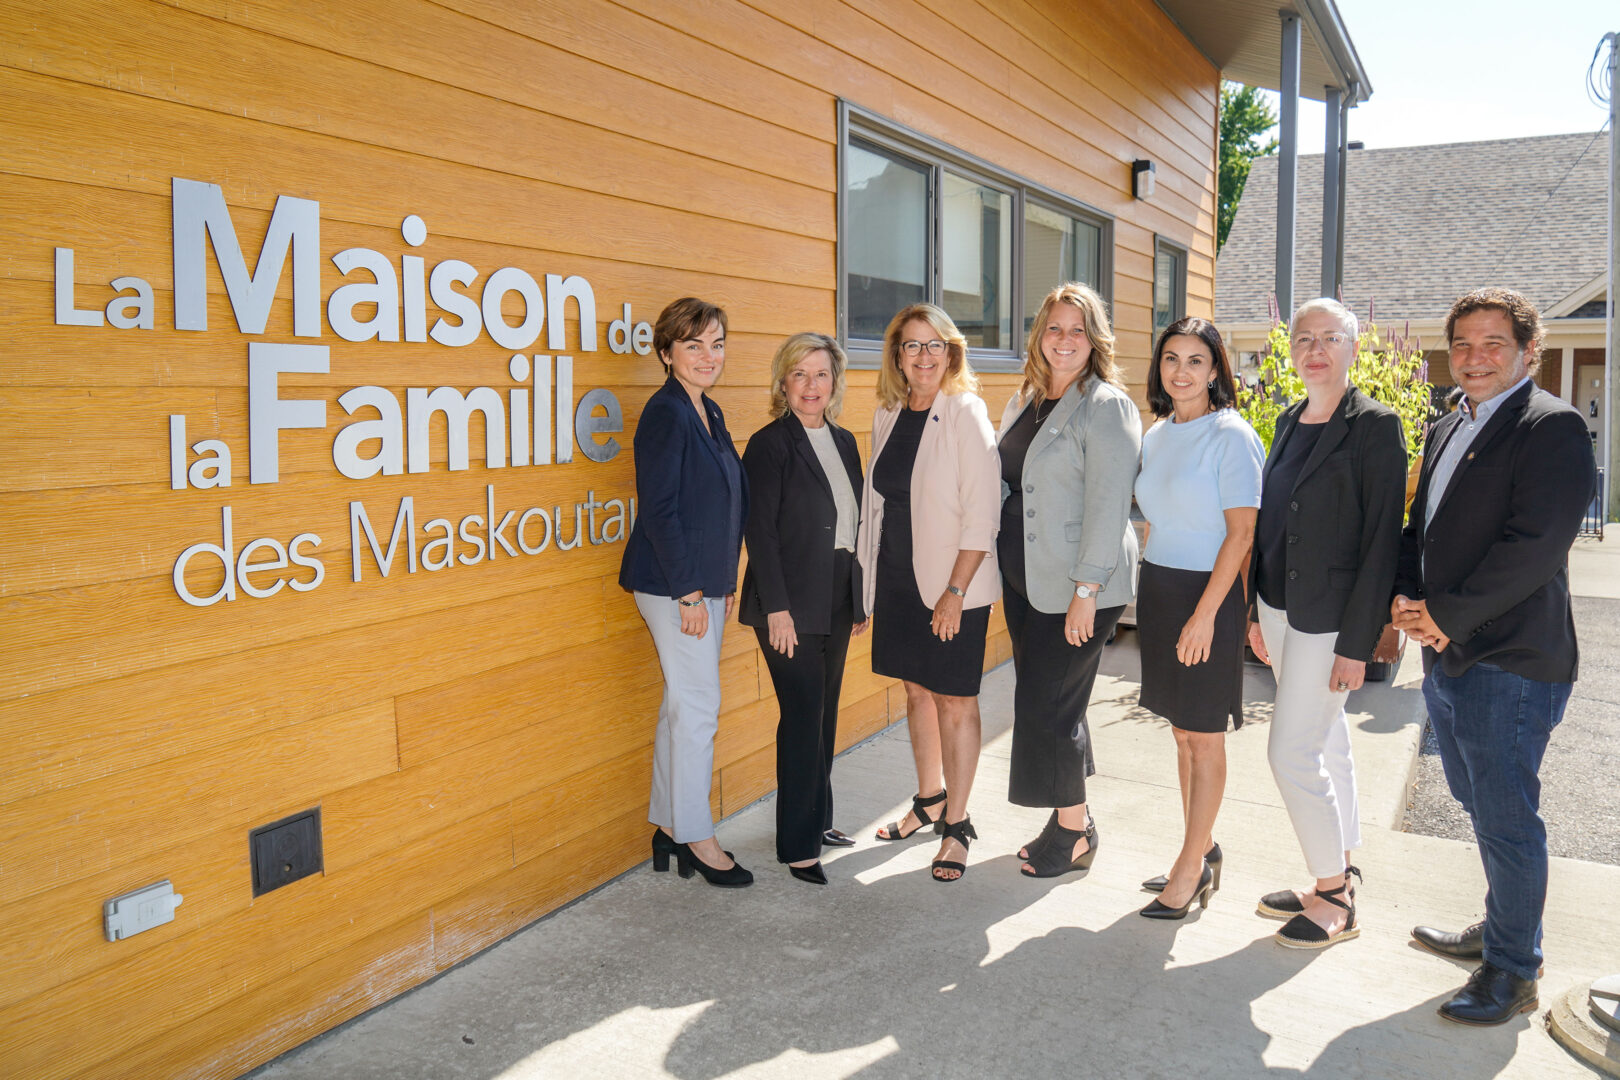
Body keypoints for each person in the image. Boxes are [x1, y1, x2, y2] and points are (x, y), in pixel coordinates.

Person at [1393, 287, 1594, 1025]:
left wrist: (1444, 615)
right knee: (1480, 805)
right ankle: (1507, 928)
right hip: (1446, 652)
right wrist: (1405, 598)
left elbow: (1535, 547)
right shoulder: (1449, 425)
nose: (1475, 359)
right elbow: (1423, 527)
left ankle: (1514, 970)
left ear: (1527, 352)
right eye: (1465, 345)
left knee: (1507, 817)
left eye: (1493, 345)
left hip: (1509, 660)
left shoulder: (1553, 427)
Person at [1246, 297, 1406, 947]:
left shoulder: (1375, 426)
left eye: (1329, 337)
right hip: (1279, 614)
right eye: (1304, 338)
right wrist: (1254, 614)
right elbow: (1269, 525)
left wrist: (1357, 643)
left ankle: (1335, 896)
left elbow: (1380, 545)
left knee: (1291, 750)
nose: (1315, 348)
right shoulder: (1288, 420)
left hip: (1328, 623)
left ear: (1353, 349)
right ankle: (1337, 867)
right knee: (1326, 740)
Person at [995, 283, 1139, 879]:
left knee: (1047, 708)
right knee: (1056, 702)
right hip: (1027, 577)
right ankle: (1068, 817)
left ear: (1095, 339)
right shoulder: (1028, 399)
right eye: (1054, 328)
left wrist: (1086, 592)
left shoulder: (1105, 405)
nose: (1064, 340)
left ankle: (1075, 835)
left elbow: (1110, 507)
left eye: (1078, 330)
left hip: (1080, 583)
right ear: (1039, 336)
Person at [857, 303, 1000, 883]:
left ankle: (957, 825)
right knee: (916, 692)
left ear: (951, 352)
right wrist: (864, 585)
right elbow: (878, 506)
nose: (922, 356)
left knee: (954, 700)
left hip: (951, 584)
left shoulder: (966, 413)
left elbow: (982, 515)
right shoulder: (889, 413)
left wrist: (954, 592)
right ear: (897, 355)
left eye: (933, 345)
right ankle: (928, 799)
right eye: (911, 345)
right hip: (896, 577)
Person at [618, 297, 752, 888]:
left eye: (716, 343)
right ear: (667, 351)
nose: (708, 355)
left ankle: (670, 828)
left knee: (683, 705)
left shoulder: (708, 411)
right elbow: (662, 512)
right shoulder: (666, 413)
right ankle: (698, 835)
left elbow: (723, 506)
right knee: (698, 708)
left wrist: (722, 584)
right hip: (674, 587)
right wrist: (692, 594)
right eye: (694, 344)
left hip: (702, 586)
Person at [1133, 317, 1263, 918]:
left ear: (1215, 371)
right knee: (1182, 731)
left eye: (1194, 361)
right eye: (1170, 359)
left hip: (1206, 597)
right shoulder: (1157, 434)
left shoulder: (1230, 436)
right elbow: (1158, 516)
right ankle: (1199, 848)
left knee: (1204, 735)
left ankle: (1191, 867)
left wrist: (1208, 615)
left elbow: (1240, 535)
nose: (1180, 372)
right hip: (1161, 588)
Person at [739, 333, 868, 886]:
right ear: (783, 383)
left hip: (837, 594)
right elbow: (760, 534)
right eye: (800, 375)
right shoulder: (769, 445)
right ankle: (797, 844)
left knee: (826, 713)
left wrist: (859, 598)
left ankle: (819, 819)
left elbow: (858, 527)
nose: (811, 386)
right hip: (787, 602)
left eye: (821, 374)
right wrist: (778, 610)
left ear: (834, 381)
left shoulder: (843, 442)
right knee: (801, 717)